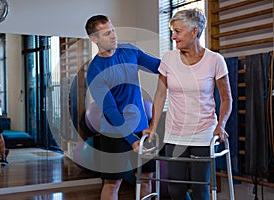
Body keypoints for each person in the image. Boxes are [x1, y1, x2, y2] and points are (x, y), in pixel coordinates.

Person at [142, 8, 232, 200]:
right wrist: (153, 126)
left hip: (203, 131)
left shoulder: (215, 60)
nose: (173, 36)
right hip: (175, 132)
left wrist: (221, 124)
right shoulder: (169, 59)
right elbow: (160, 95)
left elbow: (226, 99)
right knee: (175, 189)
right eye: (172, 31)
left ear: (194, 32)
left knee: (200, 190)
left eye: (178, 31)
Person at [85, 15, 160, 200]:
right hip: (114, 133)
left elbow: (159, 66)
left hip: (142, 129)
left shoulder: (130, 51)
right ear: (94, 39)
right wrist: (130, 139)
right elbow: (110, 110)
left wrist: (183, 56)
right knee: (112, 183)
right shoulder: (95, 70)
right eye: (107, 33)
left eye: (113, 30)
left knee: (146, 179)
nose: (113, 36)